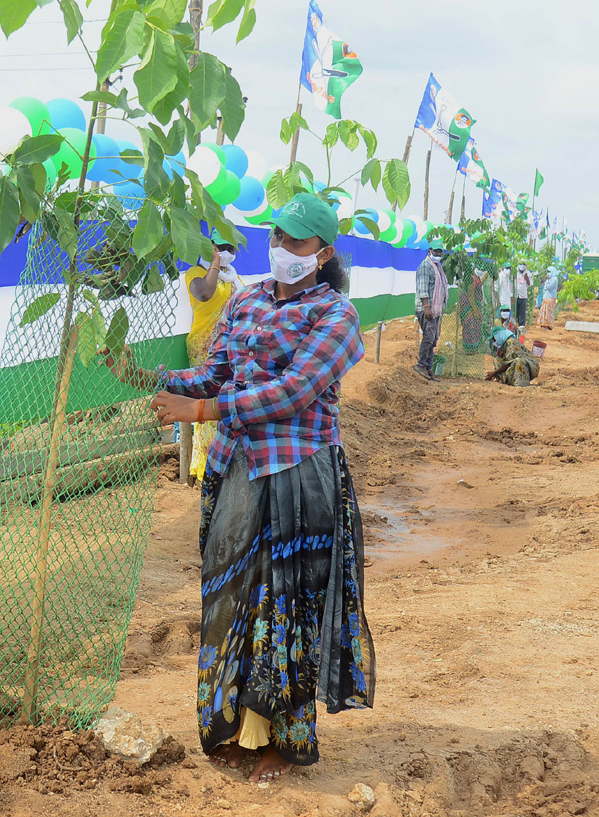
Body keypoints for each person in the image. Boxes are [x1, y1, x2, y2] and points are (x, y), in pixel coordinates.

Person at [105, 194, 374, 784]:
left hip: (298, 474)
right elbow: (216, 371)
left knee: (288, 604)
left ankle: (285, 739)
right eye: (277, 235)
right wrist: (146, 376)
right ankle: (237, 726)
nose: (281, 248)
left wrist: (200, 409)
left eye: (297, 241)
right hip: (237, 469)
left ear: (323, 252)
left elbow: (295, 392)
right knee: (231, 598)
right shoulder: (248, 298)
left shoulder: (336, 317)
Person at [185, 233, 240, 482]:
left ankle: (223, 461)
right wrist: (215, 263)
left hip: (229, 347)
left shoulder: (234, 277)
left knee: (225, 403)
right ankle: (205, 466)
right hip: (204, 346)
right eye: (220, 247)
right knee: (206, 404)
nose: (226, 251)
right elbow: (205, 294)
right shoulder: (195, 274)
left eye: (230, 247)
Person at [414, 239, 449, 381]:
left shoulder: (438, 267)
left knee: (434, 338)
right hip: (427, 308)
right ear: (430, 251)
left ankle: (428, 367)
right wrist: (427, 307)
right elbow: (422, 288)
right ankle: (421, 364)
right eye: (436, 251)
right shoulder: (425, 266)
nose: (438, 254)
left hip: (436, 309)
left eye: (440, 251)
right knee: (429, 336)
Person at [514, 262, 533, 327]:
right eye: (521, 264)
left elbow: (530, 284)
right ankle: (514, 326)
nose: (522, 266)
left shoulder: (528, 274)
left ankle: (521, 327)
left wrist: (527, 278)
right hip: (516, 296)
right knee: (515, 312)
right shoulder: (515, 273)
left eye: (524, 264)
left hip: (523, 296)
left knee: (522, 313)